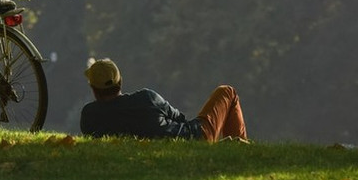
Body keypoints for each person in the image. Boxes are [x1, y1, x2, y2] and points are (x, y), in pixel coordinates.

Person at [80, 58, 248, 142]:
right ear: (120, 81)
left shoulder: (89, 116)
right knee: (227, 92)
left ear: (94, 90)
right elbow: (181, 119)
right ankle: (243, 150)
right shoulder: (147, 98)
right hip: (192, 137)